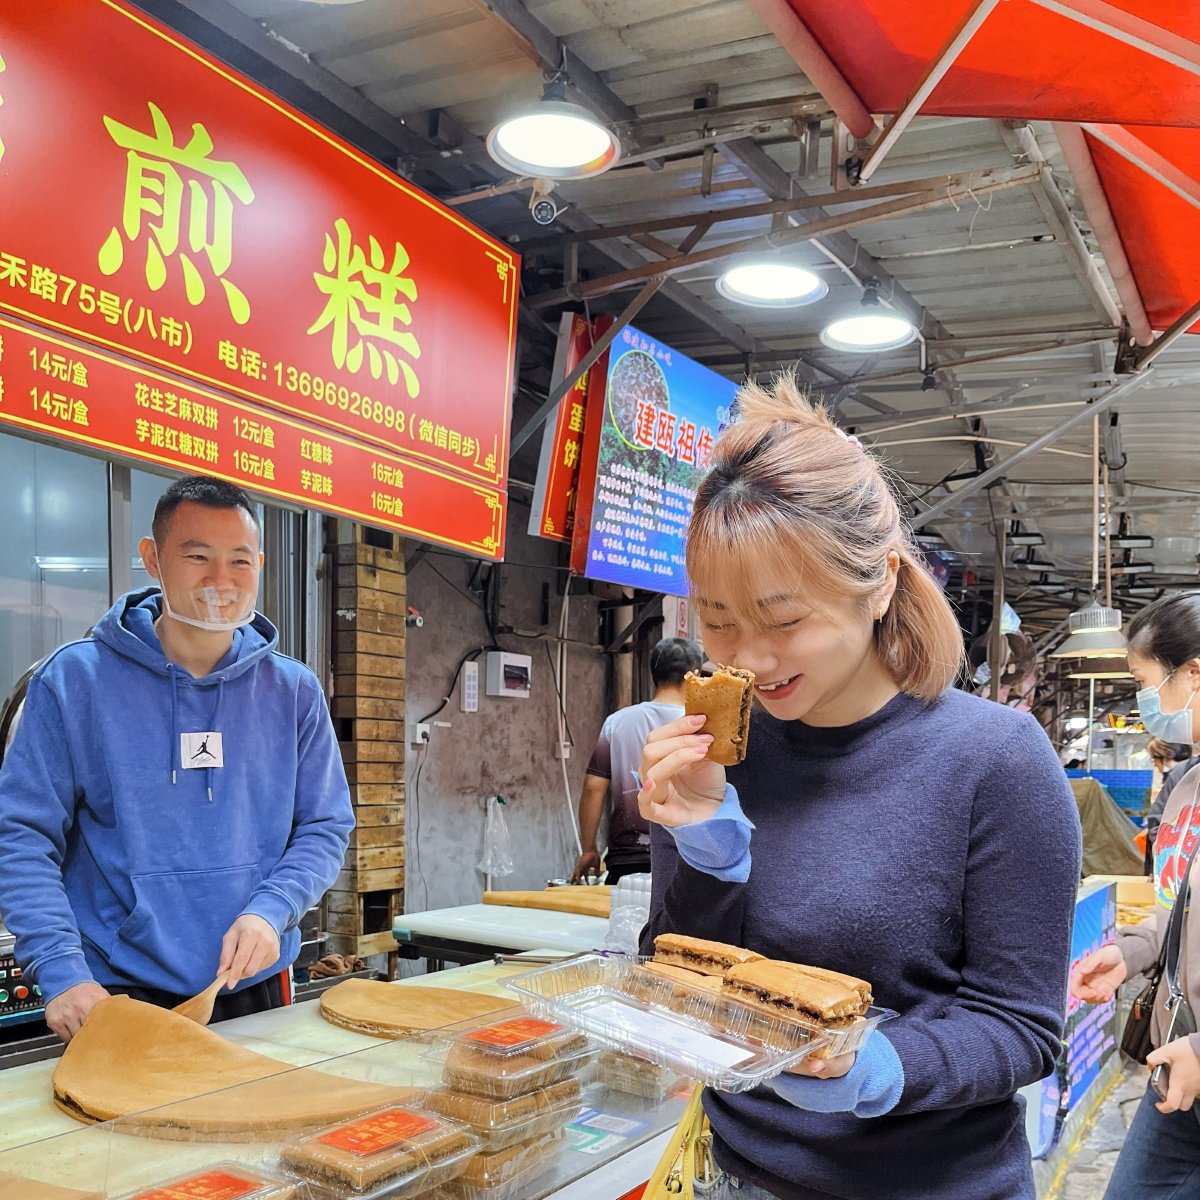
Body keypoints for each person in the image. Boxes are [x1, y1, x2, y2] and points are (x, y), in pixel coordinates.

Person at [637, 377, 1082, 1200]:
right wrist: (704, 844)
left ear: (878, 583)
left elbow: (1020, 1028)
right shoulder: (717, 751)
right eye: (718, 617)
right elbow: (678, 976)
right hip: (738, 1175)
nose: (750, 656)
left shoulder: (996, 760)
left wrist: (882, 1069)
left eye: (783, 618)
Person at [0, 475, 353, 1042]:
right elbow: (20, 836)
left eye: (240, 561)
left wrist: (273, 908)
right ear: (153, 559)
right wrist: (61, 971)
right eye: (197, 556)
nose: (221, 580)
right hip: (113, 990)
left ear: (260, 564)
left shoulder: (294, 691)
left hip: (254, 985)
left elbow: (325, 825)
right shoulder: (73, 682)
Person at [1072, 592, 1200, 1198]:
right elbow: (1176, 911)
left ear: (1194, 672)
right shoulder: (1187, 787)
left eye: (1147, 683)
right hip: (1177, 1065)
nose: (1147, 703)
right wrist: (1133, 950)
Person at [570, 637, 703, 884]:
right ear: (694, 676)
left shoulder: (617, 722)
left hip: (626, 861)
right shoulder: (702, 724)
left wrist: (589, 849)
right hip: (686, 860)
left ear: (653, 673)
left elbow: (593, 787)